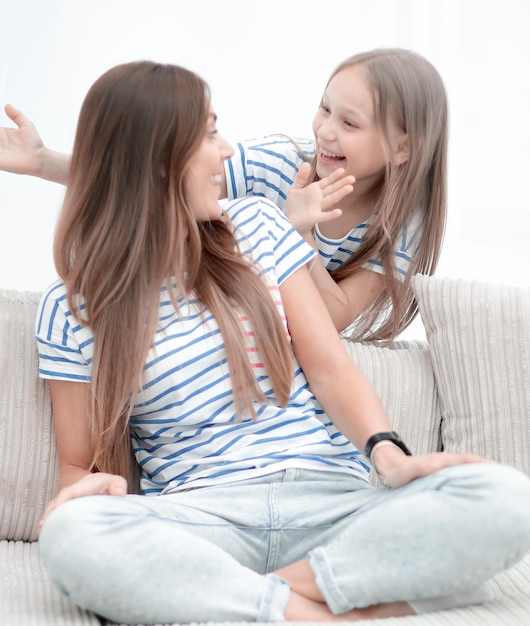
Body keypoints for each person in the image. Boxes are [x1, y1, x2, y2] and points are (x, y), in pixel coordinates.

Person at [34, 60, 530, 625]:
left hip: (331, 500)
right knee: (72, 535)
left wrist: (389, 456)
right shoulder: (70, 308)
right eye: (210, 133)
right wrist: (84, 495)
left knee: (505, 497)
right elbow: (78, 467)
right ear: (157, 161)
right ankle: (339, 609)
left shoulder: (261, 226)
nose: (226, 151)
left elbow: (329, 367)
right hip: (203, 519)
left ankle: (246, 600)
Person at [1, 48, 446, 342]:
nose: (325, 130)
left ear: (404, 147)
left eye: (349, 124)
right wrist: (43, 162)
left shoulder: (400, 223)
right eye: (325, 108)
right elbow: (159, 175)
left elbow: (331, 320)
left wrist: (297, 236)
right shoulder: (281, 166)